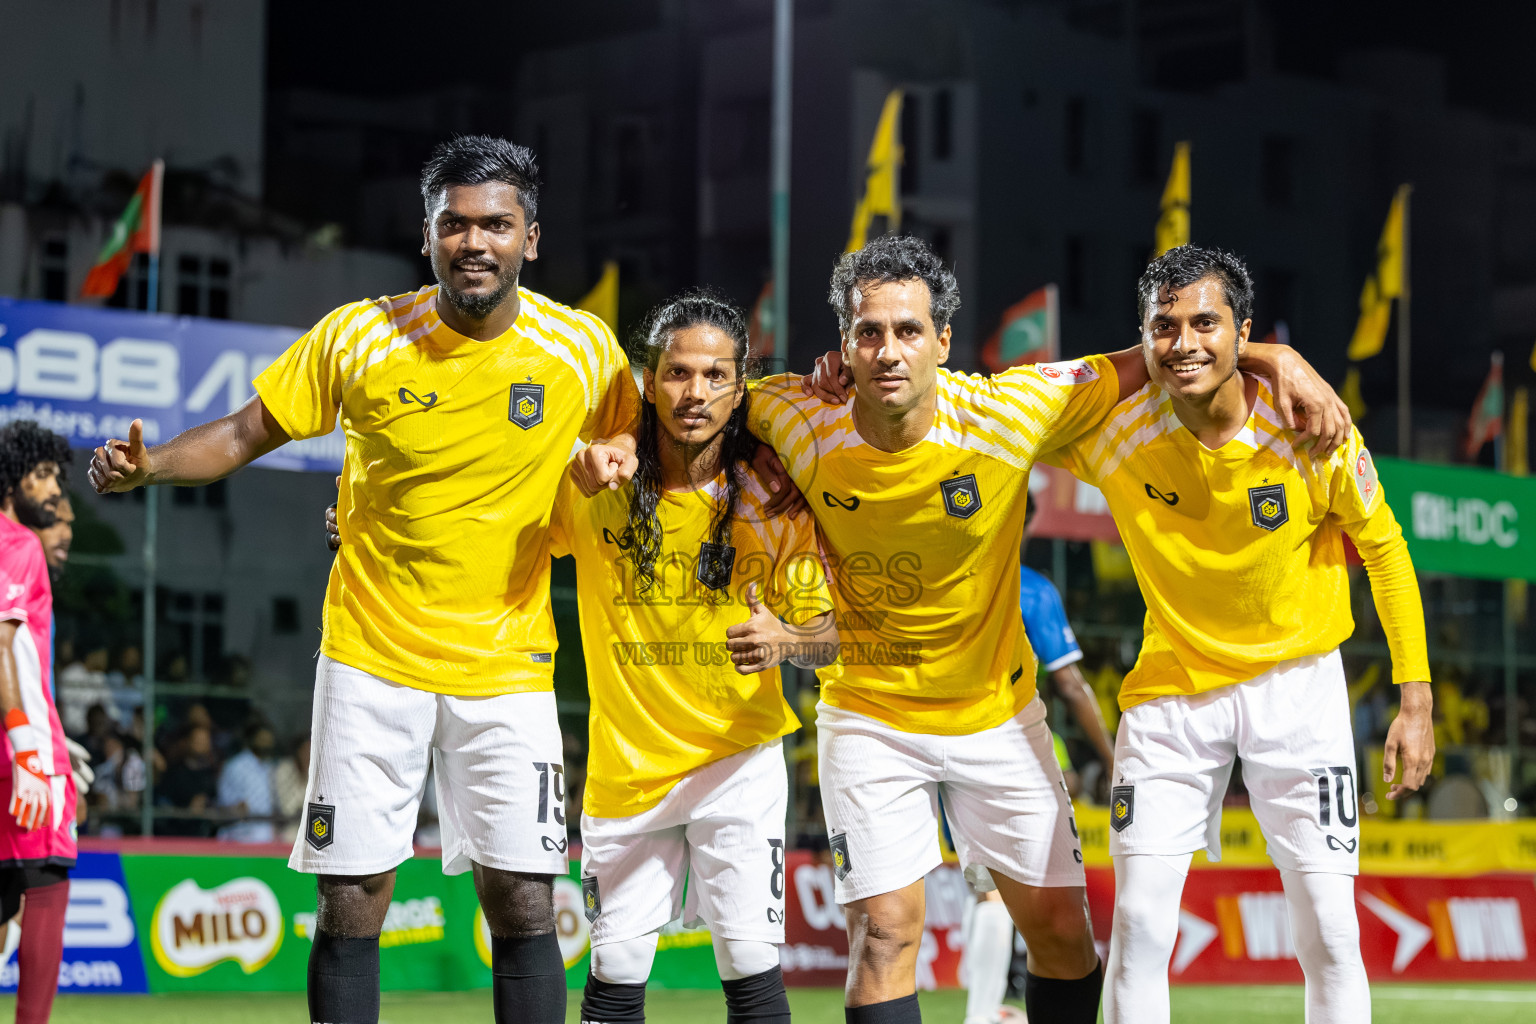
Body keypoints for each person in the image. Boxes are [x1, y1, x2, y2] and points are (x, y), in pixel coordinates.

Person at [88, 134, 643, 1024]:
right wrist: (150, 469)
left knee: (528, 902)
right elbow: (240, 434)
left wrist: (620, 455)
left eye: (496, 225)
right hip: (370, 658)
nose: (475, 242)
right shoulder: (359, 334)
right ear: (426, 235)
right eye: (454, 224)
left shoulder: (585, 350)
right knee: (354, 900)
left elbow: (644, 437)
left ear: (530, 239)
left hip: (509, 666)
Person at [750, 234, 1346, 1024]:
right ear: (843, 345)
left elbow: (1155, 355)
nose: (888, 350)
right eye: (868, 333)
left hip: (997, 715)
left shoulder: (1007, 411)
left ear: (945, 343)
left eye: (908, 331)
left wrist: (1271, 357)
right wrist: (622, 444)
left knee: (1067, 939)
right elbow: (694, 396)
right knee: (885, 936)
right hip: (868, 713)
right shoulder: (793, 411)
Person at [1041, 245, 1434, 1023]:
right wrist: (1275, 352)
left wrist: (1415, 700)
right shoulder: (1113, 427)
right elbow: (998, 402)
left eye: (1206, 324)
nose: (1183, 341)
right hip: (1171, 698)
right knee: (1143, 925)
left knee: (1327, 931)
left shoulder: (1311, 425)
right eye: (1164, 326)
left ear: (1240, 330)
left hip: (1301, 692)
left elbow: (1386, 552)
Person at [553, 291, 838, 1024]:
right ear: (649, 381)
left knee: (748, 961)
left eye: (716, 376)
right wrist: (354, 519)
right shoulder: (593, 484)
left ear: (740, 388)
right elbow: (490, 524)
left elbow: (827, 634)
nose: (696, 393)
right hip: (627, 770)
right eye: (678, 374)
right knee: (615, 965)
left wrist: (787, 640)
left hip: (736, 760)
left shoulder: (775, 498)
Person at [961, 493, 1116, 1024]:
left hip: (942, 741)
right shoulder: (1033, 589)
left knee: (987, 891)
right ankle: (987, 1011)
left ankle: (988, 1007)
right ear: (1025, 523)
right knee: (1032, 895)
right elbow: (1070, 684)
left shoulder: (951, 577)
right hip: (1018, 750)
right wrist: (1112, 757)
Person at [0, 420, 75, 1024]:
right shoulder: (17, 543)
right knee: (47, 882)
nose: (54, 490)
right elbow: (2, 644)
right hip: (23, 752)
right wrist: (31, 747)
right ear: (12, 477)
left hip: (23, 734)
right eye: (43, 475)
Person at [217, 722, 278, 842]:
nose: (266, 743)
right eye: (262, 739)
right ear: (252, 740)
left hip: (268, 829)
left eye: (268, 740)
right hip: (240, 829)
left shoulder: (271, 767)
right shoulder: (236, 765)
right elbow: (227, 802)